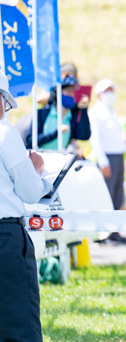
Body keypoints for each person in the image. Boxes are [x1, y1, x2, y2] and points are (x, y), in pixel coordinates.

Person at [0, 70, 52, 341]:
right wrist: (38, 170)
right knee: (19, 326)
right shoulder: (5, 134)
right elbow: (30, 192)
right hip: (5, 239)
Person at [89, 79, 126, 244]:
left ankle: (114, 231)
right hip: (107, 158)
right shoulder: (96, 112)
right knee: (106, 195)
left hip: (118, 156)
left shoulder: (111, 110)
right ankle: (102, 233)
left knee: (117, 196)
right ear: (99, 94)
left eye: (112, 90)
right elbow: (96, 138)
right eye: (107, 90)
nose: (110, 93)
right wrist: (102, 160)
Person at [24, 75, 91, 151]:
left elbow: (84, 136)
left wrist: (83, 110)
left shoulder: (72, 117)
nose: (71, 94)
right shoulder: (42, 113)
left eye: (74, 91)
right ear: (58, 92)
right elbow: (30, 140)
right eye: (68, 90)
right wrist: (56, 133)